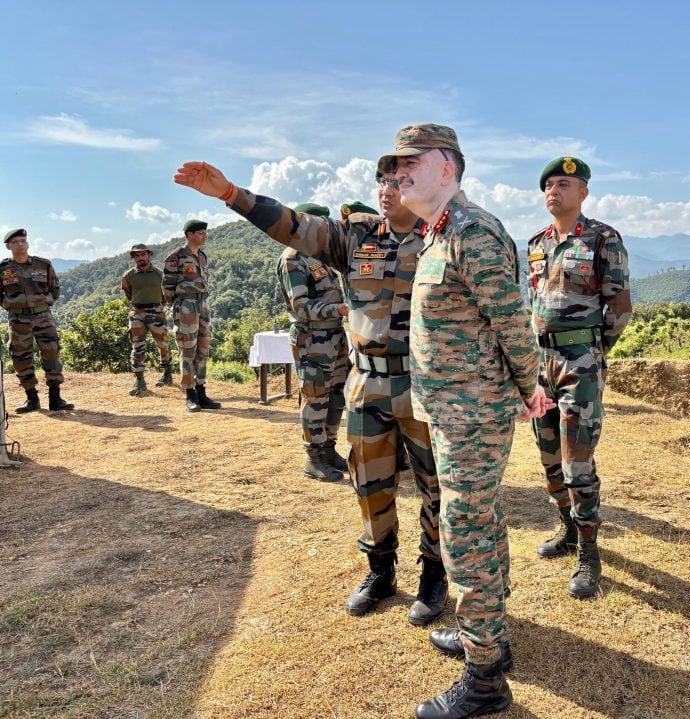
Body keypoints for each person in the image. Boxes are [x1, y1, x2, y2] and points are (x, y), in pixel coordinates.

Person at [172, 163, 449, 628]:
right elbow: (294, 226)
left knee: (435, 486)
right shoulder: (355, 238)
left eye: (400, 182)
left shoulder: (445, 238)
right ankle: (380, 571)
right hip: (367, 383)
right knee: (369, 482)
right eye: (383, 181)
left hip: (425, 384)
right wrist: (232, 194)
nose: (387, 190)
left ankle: (434, 575)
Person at [382, 124, 552, 719]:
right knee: (480, 519)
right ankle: (490, 636)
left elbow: (512, 321)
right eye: (393, 166)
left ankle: (484, 678)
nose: (398, 174)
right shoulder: (438, 233)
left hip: (473, 413)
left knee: (466, 532)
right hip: (454, 409)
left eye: (411, 163)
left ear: (449, 168)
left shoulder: (471, 232)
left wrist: (531, 388)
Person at [527, 156, 632, 598]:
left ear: (583, 191)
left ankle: (589, 552)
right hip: (539, 362)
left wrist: (592, 350)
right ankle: (567, 529)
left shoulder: (603, 238)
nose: (554, 190)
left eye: (564, 184)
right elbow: (527, 303)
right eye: (549, 184)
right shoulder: (535, 243)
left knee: (577, 462)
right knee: (549, 455)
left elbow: (621, 308)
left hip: (579, 362)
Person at [278, 203, 349, 481]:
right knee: (314, 398)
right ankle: (313, 457)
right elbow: (301, 306)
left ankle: (328, 449)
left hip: (334, 336)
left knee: (336, 396)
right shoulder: (293, 258)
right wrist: (339, 310)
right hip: (312, 337)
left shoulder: (319, 257)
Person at [0, 228, 73, 412]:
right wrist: (10, 304)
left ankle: (55, 399)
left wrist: (45, 302)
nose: (20, 244)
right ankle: (32, 399)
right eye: (15, 241)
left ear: (28, 244)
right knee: (21, 358)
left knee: (52, 355)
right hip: (18, 320)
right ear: (9, 246)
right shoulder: (3, 269)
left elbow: (54, 289)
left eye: (23, 241)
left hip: (43, 317)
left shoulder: (43, 265)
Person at [162, 219, 221, 412]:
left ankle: (201, 391)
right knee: (187, 350)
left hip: (203, 304)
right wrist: (179, 306)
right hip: (186, 305)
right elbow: (167, 287)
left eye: (205, 232)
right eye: (200, 233)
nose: (204, 235)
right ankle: (189, 394)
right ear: (189, 235)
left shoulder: (202, 256)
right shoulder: (176, 257)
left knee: (203, 349)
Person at [121, 243, 173, 396]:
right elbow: (128, 294)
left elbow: (166, 295)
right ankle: (139, 381)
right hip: (137, 312)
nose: (140, 258)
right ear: (133, 258)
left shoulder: (159, 275)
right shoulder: (128, 276)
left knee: (163, 344)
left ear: (149, 255)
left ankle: (167, 373)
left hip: (156, 311)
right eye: (137, 255)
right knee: (137, 347)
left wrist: (156, 305)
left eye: (143, 255)